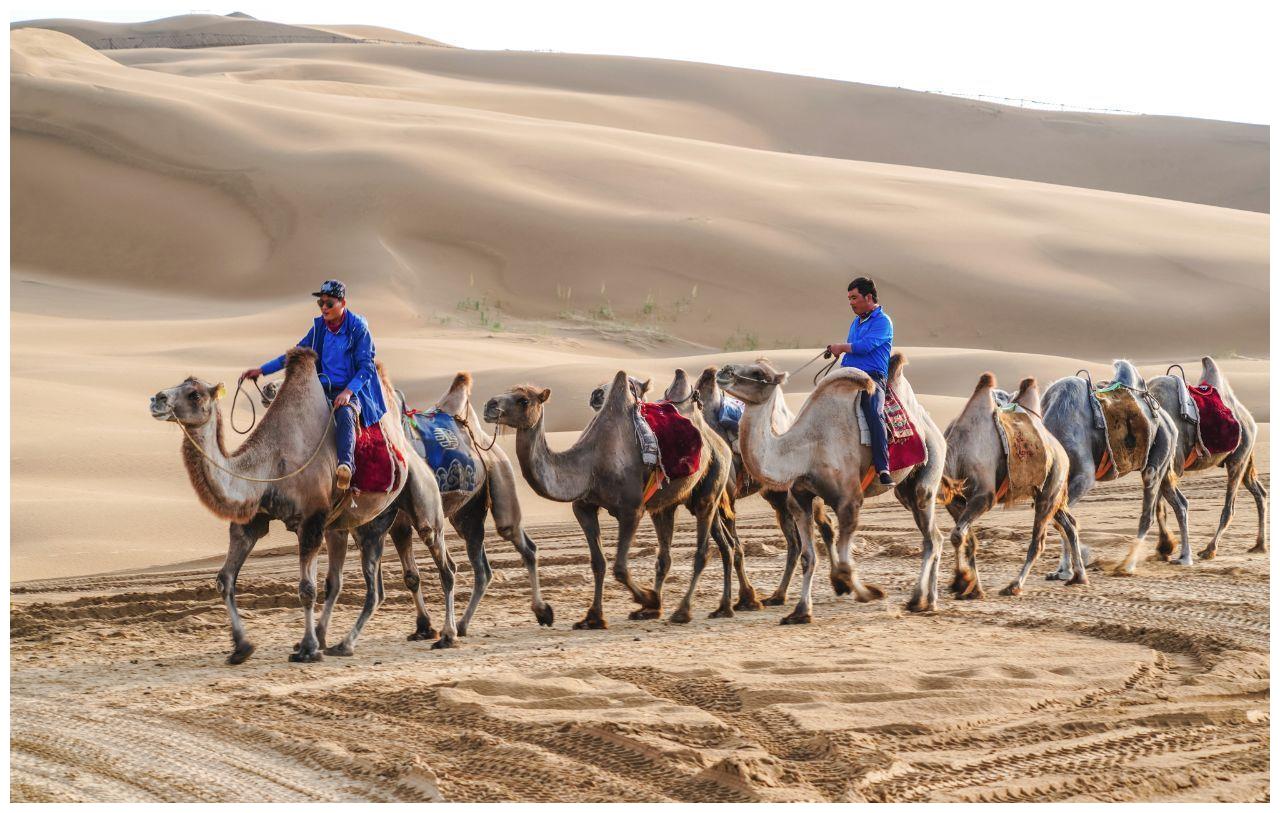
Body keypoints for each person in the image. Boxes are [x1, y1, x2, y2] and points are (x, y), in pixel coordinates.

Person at [242, 280, 387, 490]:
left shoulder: (358, 329)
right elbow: (296, 354)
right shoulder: (319, 328)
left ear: (342, 303)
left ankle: (346, 466)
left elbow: (366, 368)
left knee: (345, 414)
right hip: (321, 387)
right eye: (321, 303)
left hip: (349, 390)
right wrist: (262, 370)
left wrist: (348, 392)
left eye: (329, 304)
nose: (324, 308)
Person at [826, 277, 894, 486]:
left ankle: (883, 468)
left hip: (872, 378)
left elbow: (865, 347)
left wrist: (841, 347)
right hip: (849, 375)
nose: (851, 303)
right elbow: (853, 349)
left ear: (869, 297)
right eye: (849, 299)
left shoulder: (883, 321)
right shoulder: (856, 322)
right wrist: (839, 354)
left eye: (854, 297)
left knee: (873, 411)